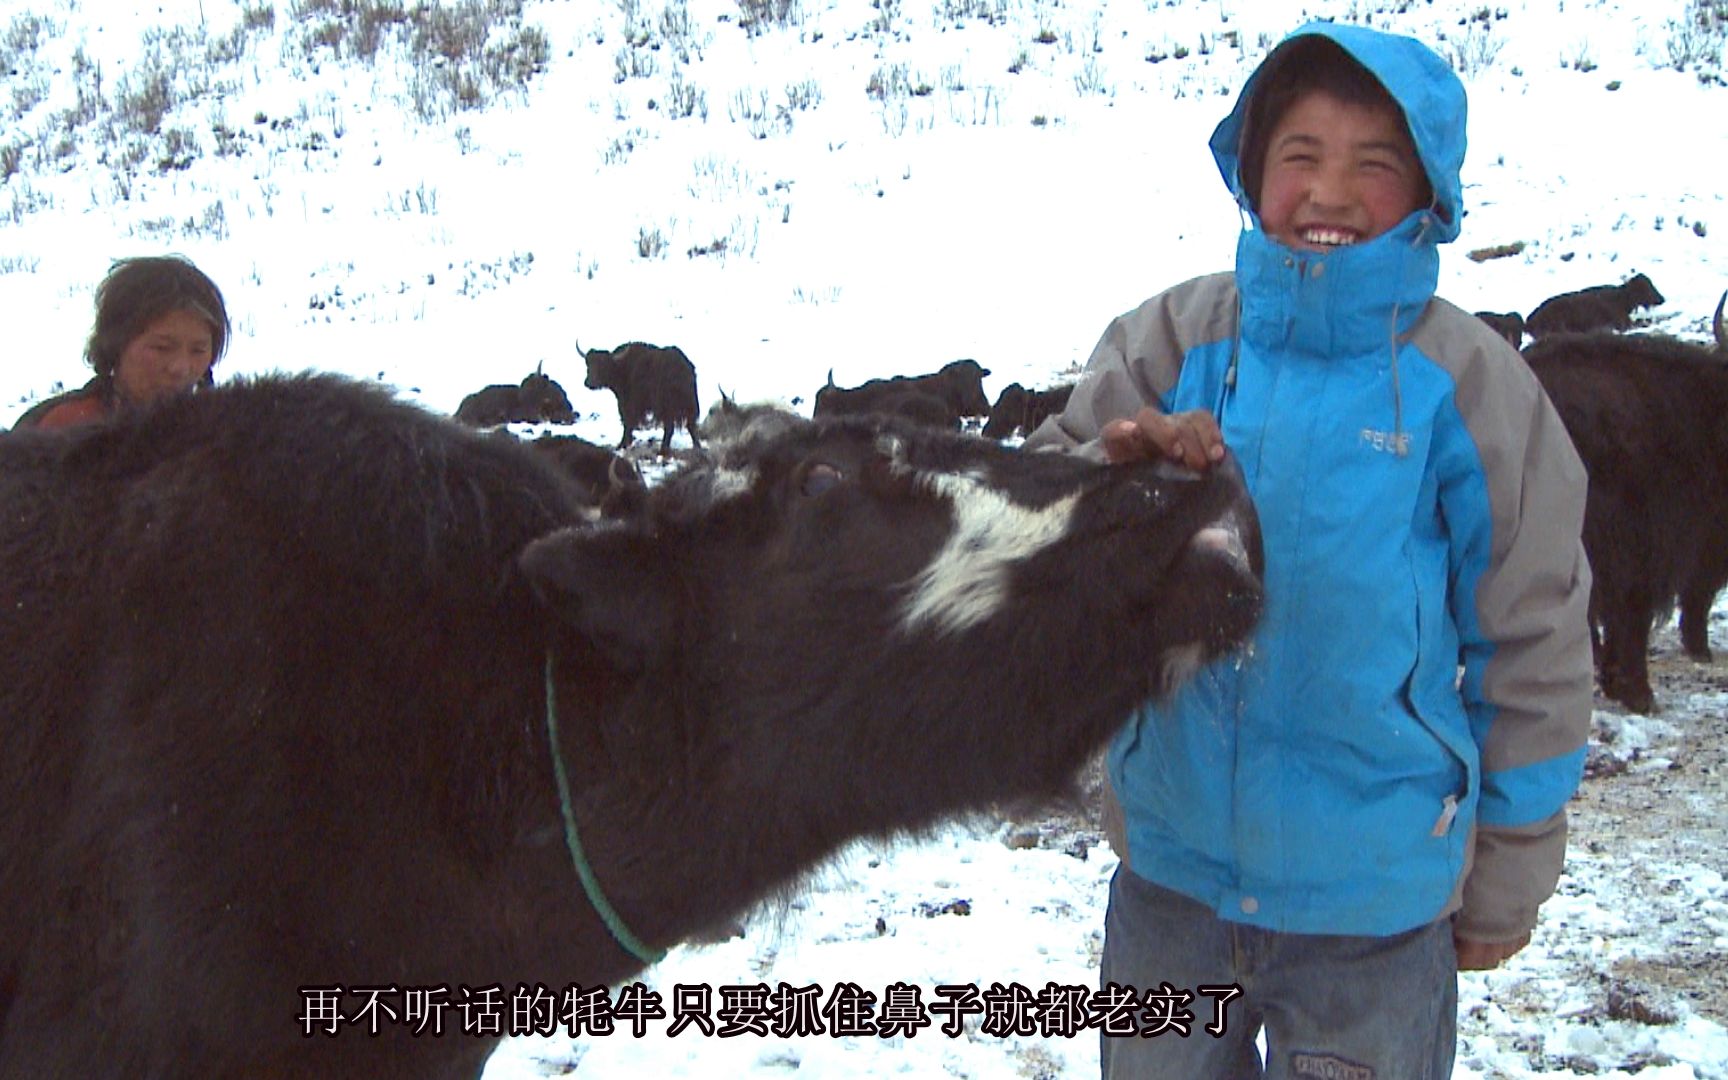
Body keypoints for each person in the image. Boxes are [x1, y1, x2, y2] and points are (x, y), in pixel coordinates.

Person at [1023, 22, 1594, 1079]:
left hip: (1374, 906)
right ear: (1252, 174)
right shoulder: (1171, 341)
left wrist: (1510, 870)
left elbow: (1536, 637)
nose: (1330, 192)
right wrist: (1113, 479)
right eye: (1301, 156)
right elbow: (1035, 534)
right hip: (1173, 879)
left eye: (1373, 165)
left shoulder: (1471, 388)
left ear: (1427, 198)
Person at [13, 254, 230, 431]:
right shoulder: (61, 430)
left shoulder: (221, 434)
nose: (180, 368)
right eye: (162, 348)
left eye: (198, 350)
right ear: (116, 346)